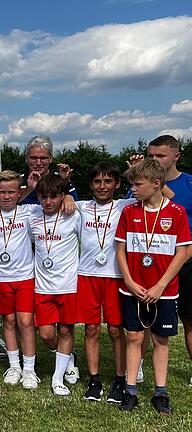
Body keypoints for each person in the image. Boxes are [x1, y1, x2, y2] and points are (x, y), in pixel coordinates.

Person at [115, 158, 190, 414]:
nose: (132, 189)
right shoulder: (129, 212)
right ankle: (131, 389)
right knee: (134, 336)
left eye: (137, 184)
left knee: (160, 339)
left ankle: (160, 392)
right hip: (133, 288)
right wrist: (129, 280)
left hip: (164, 290)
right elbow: (121, 248)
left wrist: (160, 285)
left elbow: (183, 253)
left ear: (156, 183)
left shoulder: (176, 212)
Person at [128, 135, 192, 385]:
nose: (154, 159)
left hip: (185, 264)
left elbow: (171, 200)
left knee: (189, 319)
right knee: (143, 320)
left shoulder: (189, 183)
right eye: (150, 156)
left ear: (176, 156)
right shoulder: (141, 184)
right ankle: (139, 366)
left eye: (160, 156)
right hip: (149, 264)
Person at [76, 163, 139, 403]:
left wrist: (135, 170)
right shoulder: (82, 206)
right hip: (88, 275)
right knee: (91, 328)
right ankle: (94, 380)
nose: (102, 187)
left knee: (115, 330)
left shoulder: (125, 204)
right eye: (97, 182)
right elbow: (55, 197)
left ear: (118, 184)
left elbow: (160, 191)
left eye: (108, 182)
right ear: (90, 185)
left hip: (115, 277)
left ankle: (120, 379)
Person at [0, 170, 40, 389]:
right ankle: (14, 365)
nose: (6, 196)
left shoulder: (29, 211)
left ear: (19, 193)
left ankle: (29, 369)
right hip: (0, 276)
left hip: (25, 276)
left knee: (25, 322)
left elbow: (54, 197)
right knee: (8, 321)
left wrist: (32, 188)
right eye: (2, 192)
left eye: (11, 192)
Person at [29, 174, 81, 396]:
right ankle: (68, 355)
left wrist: (71, 197)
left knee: (67, 330)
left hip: (69, 286)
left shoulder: (74, 215)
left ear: (62, 196)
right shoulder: (33, 217)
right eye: (43, 197)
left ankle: (57, 378)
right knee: (47, 334)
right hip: (43, 287)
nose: (48, 201)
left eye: (53, 196)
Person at [18, 135, 78, 205]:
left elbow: (75, 206)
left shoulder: (62, 179)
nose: (38, 163)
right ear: (26, 158)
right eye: (33, 158)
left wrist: (67, 195)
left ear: (51, 159)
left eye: (43, 158)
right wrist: (28, 189)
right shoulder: (17, 181)